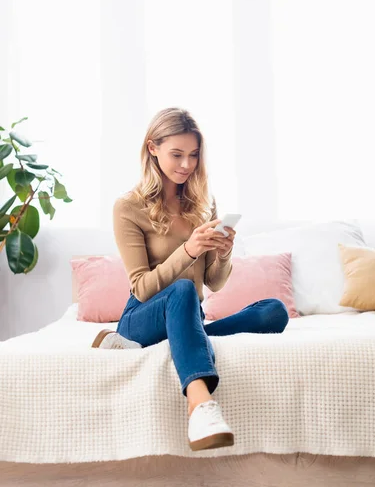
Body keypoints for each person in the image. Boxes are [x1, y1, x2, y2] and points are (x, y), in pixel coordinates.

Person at [91, 107, 289, 452]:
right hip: (142, 314)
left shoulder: (201, 204)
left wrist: (223, 252)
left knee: (274, 311)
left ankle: (183, 337)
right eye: (177, 154)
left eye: (194, 155)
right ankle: (199, 403)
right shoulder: (128, 207)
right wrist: (189, 250)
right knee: (182, 289)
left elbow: (213, 282)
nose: (186, 165)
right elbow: (140, 286)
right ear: (152, 148)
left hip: (189, 312)